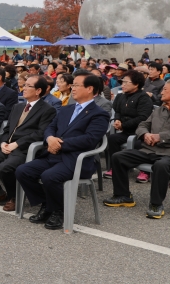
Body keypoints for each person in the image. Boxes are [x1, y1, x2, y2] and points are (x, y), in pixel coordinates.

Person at [15, 71, 109, 230]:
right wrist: (50, 139)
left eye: (77, 85)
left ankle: (58, 211)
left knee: (49, 176)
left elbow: (90, 139)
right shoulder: (67, 109)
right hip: (53, 155)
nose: (73, 88)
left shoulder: (99, 114)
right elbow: (50, 127)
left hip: (75, 159)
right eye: (73, 85)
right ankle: (47, 204)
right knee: (23, 171)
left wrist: (60, 144)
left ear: (90, 89)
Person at [0, 75, 57, 211]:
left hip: (24, 149)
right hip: (8, 147)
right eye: (24, 85)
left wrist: (17, 144)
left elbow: (40, 133)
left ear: (38, 91)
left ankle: (14, 197)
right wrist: (3, 143)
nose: (24, 88)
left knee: (3, 168)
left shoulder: (47, 109)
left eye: (28, 86)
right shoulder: (18, 107)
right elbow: (7, 129)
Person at [104, 80, 170, 219]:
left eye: (165, 90)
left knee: (161, 165)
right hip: (149, 150)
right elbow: (142, 124)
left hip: (167, 154)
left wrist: (160, 137)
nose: (162, 92)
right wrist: (145, 134)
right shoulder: (159, 110)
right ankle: (123, 195)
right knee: (118, 157)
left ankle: (156, 204)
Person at [103, 69, 154, 182]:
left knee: (139, 144)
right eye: (122, 82)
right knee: (112, 139)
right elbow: (117, 111)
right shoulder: (121, 96)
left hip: (140, 132)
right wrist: (117, 120)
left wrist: (123, 125)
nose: (123, 85)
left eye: (126, 82)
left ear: (136, 84)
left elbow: (143, 118)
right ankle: (114, 167)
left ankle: (144, 171)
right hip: (126, 131)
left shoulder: (143, 97)